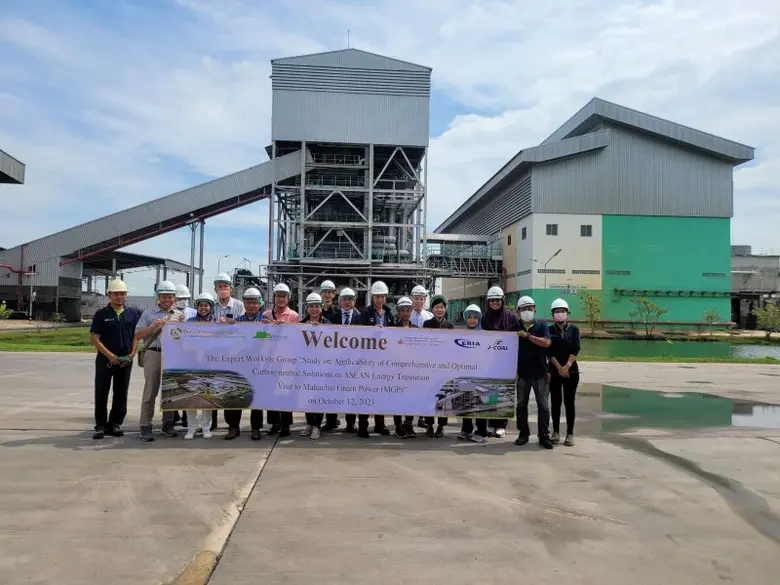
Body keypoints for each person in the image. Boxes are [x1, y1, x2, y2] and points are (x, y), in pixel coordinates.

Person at [89, 279, 141, 439]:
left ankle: (115, 423)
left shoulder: (133, 314)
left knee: (121, 393)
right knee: (101, 391)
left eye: (122, 294)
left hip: (125, 360)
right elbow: (94, 338)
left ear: (126, 295)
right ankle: (100, 425)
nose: (119, 297)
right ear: (109, 295)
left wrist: (133, 352)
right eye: (116, 294)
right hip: (105, 360)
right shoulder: (101, 314)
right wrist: (110, 356)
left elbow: (136, 336)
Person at [134, 280, 184, 442]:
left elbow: (184, 337)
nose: (167, 300)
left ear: (174, 298)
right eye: (164, 296)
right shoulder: (148, 314)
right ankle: (145, 425)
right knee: (150, 391)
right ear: (158, 297)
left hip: (172, 354)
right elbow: (137, 335)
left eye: (170, 296)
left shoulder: (179, 314)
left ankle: (168, 424)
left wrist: (183, 325)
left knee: (170, 391)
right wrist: (153, 326)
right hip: (154, 352)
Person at [511, 296, 553, 449]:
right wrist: (514, 371)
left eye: (529, 308)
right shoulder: (513, 328)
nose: (527, 311)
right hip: (522, 374)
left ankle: (544, 436)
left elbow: (547, 343)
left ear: (534, 310)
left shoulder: (541, 325)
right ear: (518, 312)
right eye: (523, 309)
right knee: (521, 404)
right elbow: (509, 351)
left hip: (540, 373)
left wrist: (528, 336)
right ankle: (523, 433)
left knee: (543, 406)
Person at [224, 288, 266, 441]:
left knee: (256, 396)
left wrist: (267, 329)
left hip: (258, 364)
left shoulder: (265, 322)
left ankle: (256, 428)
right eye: (248, 302)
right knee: (235, 393)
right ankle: (233, 427)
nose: (251, 305)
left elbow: (266, 340)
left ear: (259, 304)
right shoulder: (237, 322)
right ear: (244, 304)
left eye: (254, 302)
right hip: (239, 363)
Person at [356, 281, 394, 438]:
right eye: (377, 296)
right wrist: (372, 331)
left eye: (382, 296)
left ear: (385, 297)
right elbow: (358, 335)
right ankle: (362, 427)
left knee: (380, 394)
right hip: (367, 361)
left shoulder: (389, 314)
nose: (380, 299)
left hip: (383, 362)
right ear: (373, 297)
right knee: (364, 394)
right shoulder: (364, 314)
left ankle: (380, 424)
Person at [321, 287, 361, 433]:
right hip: (334, 362)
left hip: (353, 362)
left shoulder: (360, 318)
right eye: (344, 299)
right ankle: (331, 421)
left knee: (351, 392)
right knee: (331, 391)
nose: (347, 302)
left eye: (350, 299)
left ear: (354, 302)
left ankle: (350, 423)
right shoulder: (332, 318)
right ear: (339, 302)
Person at [209, 272, 246, 431]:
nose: (223, 289)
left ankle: (233, 425)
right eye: (220, 286)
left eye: (225, 286)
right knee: (212, 387)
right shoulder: (210, 305)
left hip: (234, 354)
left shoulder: (239, 305)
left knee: (232, 389)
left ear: (231, 288)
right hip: (214, 353)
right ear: (215, 289)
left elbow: (246, 327)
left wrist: (232, 323)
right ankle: (211, 422)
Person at [481, 286, 517, 438]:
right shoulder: (485, 318)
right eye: (492, 300)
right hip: (490, 362)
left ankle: (501, 425)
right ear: (488, 302)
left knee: (504, 392)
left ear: (502, 300)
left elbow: (515, 340)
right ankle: (491, 423)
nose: (495, 303)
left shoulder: (511, 317)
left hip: (506, 362)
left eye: (497, 300)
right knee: (490, 392)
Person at [263, 283, 299, 438]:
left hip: (286, 361)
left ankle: (286, 424)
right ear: (274, 298)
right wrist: (267, 329)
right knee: (271, 392)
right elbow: (258, 336)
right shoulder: (266, 315)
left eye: (284, 296)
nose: (281, 299)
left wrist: (286, 328)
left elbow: (296, 338)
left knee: (285, 393)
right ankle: (274, 423)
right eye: (278, 296)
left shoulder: (293, 316)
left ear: (288, 298)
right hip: (269, 360)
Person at [183, 292, 217, 440]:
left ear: (211, 307)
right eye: (201, 305)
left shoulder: (217, 322)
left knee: (207, 397)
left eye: (206, 305)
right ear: (197, 307)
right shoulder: (189, 322)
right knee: (191, 396)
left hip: (210, 365)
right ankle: (191, 428)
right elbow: (183, 342)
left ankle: (206, 427)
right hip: (192, 363)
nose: (203, 308)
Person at [548, 298, 581, 447]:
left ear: (567, 313)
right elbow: (549, 352)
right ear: (553, 314)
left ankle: (570, 433)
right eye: (557, 311)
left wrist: (566, 366)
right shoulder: (549, 330)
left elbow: (575, 350)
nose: (560, 313)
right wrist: (559, 368)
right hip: (554, 371)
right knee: (555, 402)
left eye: (562, 311)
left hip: (571, 371)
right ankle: (555, 432)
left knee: (569, 402)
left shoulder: (574, 330)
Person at [299, 292, 332, 440]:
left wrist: (322, 330)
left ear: (321, 308)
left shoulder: (328, 324)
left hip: (322, 367)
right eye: (311, 306)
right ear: (307, 308)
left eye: (317, 306)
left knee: (319, 397)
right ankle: (309, 423)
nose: (314, 309)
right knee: (307, 396)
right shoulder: (300, 325)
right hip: (306, 366)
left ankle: (317, 426)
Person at [457, 304, 489, 444]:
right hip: (466, 373)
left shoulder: (485, 335)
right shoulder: (461, 334)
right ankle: (466, 429)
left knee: (480, 402)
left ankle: (482, 431)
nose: (472, 320)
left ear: (479, 319)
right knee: (466, 401)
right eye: (469, 317)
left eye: (475, 317)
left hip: (481, 374)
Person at [422, 294, 453, 438]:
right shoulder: (426, 324)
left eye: (442, 307)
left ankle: (441, 426)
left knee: (443, 396)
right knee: (429, 396)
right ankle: (429, 424)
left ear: (445, 309)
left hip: (445, 367)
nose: (439, 310)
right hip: (430, 366)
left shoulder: (450, 326)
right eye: (436, 307)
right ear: (432, 309)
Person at [391, 296, 417, 439]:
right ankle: (398, 426)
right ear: (398, 312)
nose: (406, 313)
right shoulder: (391, 328)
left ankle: (408, 424)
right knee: (397, 399)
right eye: (403, 310)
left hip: (411, 370)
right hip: (396, 370)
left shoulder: (417, 330)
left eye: (408, 310)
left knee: (410, 398)